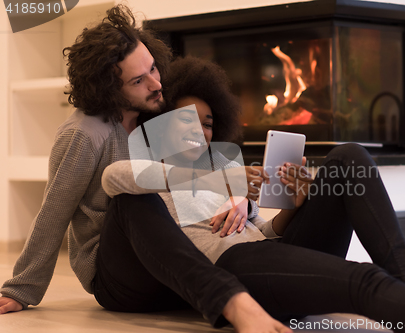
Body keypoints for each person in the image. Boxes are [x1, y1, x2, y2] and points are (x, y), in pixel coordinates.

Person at [102, 56, 405, 332]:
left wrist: (298, 203)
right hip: (233, 266)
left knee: (349, 157)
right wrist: (221, 182)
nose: (200, 131)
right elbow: (114, 178)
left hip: (266, 254)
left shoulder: (224, 166)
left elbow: (266, 230)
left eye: (207, 123)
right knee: (362, 282)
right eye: (186, 119)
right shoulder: (152, 174)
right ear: (161, 125)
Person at [0, 6, 261, 330]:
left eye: (154, 68)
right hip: (117, 274)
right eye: (139, 79)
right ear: (109, 88)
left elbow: (203, 168)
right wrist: (21, 289)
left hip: (170, 257)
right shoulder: (84, 134)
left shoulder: (153, 115)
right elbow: (54, 211)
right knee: (131, 196)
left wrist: (238, 195)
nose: (156, 84)